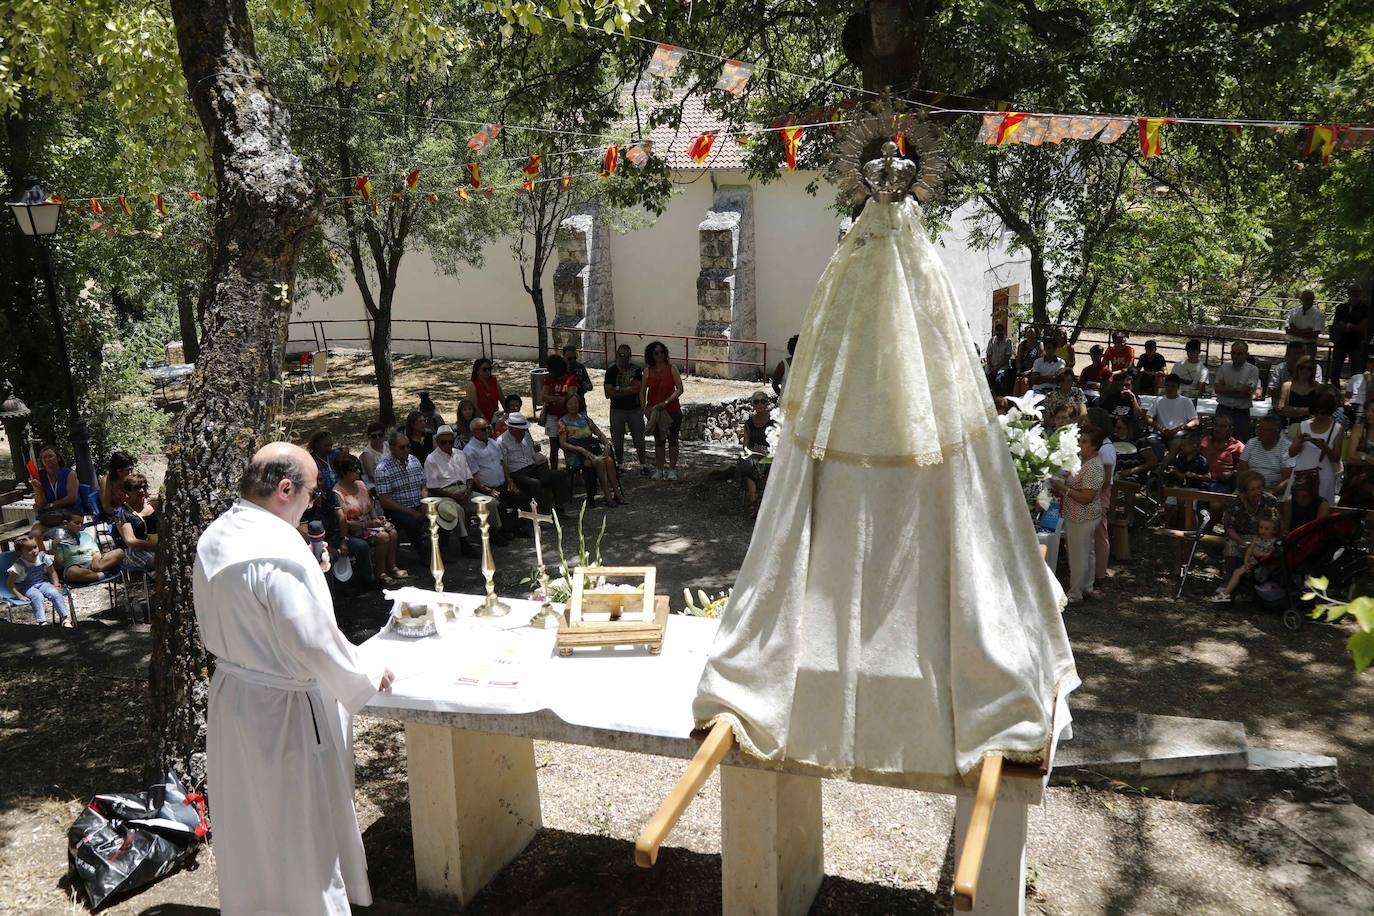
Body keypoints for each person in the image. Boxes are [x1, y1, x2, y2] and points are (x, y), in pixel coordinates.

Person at [193, 443, 394, 915]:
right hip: (283, 711)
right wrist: (366, 670)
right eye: (310, 490)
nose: (314, 500)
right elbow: (310, 642)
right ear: (285, 489)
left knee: (252, 823)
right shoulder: (276, 551)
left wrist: (309, 569)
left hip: (234, 698)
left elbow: (252, 611)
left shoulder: (220, 534)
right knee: (298, 827)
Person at [1051, 425, 1105, 604]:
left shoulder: (1093, 467)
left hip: (1082, 516)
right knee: (1087, 552)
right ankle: (1087, 587)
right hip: (1081, 515)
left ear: (1095, 446)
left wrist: (1063, 489)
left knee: (1077, 555)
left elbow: (1086, 497)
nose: (1080, 444)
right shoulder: (1082, 460)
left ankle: (1075, 594)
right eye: (1079, 440)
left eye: (1084, 442)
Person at [333, 453, 404, 587]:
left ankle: (392, 566)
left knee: (392, 531)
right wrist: (369, 524)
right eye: (354, 469)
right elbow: (344, 522)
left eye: (358, 468)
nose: (358, 471)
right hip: (354, 528)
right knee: (382, 536)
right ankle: (380, 573)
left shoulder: (360, 484)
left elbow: (369, 506)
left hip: (370, 523)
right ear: (343, 472)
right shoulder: (337, 493)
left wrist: (377, 518)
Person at [299, 474, 374, 591]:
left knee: (361, 546)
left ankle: (367, 581)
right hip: (317, 543)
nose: (319, 483)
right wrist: (327, 548)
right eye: (315, 479)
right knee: (328, 558)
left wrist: (344, 540)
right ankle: (332, 595)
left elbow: (341, 518)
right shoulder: (302, 502)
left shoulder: (329, 495)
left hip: (336, 536)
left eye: (321, 479)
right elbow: (304, 533)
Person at [559, 392, 625, 507]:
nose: (573, 406)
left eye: (575, 403)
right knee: (599, 462)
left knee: (608, 461)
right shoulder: (563, 422)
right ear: (566, 405)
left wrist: (606, 444)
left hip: (591, 451)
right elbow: (563, 443)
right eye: (570, 403)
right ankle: (607, 496)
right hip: (576, 455)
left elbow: (599, 433)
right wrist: (580, 449)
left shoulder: (585, 418)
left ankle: (617, 493)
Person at [499, 412, 572, 516]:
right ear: (511, 429)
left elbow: (532, 455)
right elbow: (503, 464)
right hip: (517, 473)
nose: (523, 433)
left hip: (532, 467)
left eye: (524, 430)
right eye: (520, 431)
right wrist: (509, 480)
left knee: (558, 475)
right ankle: (541, 514)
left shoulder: (526, 436)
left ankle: (559, 506)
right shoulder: (502, 442)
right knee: (535, 484)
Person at [463, 417, 525, 537]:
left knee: (520, 497)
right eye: (483, 429)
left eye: (488, 427)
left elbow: (502, 463)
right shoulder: (469, 450)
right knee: (497, 504)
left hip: (502, 483)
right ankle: (498, 533)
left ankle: (515, 527)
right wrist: (486, 490)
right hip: (486, 488)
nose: (487, 431)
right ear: (474, 432)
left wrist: (509, 480)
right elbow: (472, 475)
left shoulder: (492, 442)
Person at [423, 425, 479, 557]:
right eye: (444, 442)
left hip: (464, 490)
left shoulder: (460, 454)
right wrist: (453, 495)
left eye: (451, 442)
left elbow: (469, 477)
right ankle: (464, 543)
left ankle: (494, 532)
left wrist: (467, 491)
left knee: (489, 503)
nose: (448, 445)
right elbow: (432, 487)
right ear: (437, 442)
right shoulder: (431, 459)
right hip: (444, 494)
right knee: (457, 510)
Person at [373, 431, 429, 551]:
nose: (406, 450)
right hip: (398, 509)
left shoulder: (414, 460)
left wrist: (424, 502)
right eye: (402, 447)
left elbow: (423, 485)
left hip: (419, 504)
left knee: (440, 513)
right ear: (392, 448)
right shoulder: (383, 468)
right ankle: (424, 553)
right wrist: (410, 511)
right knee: (411, 522)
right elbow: (385, 501)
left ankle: (442, 549)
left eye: (408, 446)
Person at [1288, 387, 1344, 503]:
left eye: (1323, 413)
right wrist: (1299, 441)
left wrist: (1325, 448)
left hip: (1324, 476)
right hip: (1301, 474)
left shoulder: (1337, 428)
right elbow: (1291, 453)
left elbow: (1336, 458)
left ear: (1329, 411)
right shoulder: (1304, 425)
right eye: (1316, 411)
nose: (1319, 415)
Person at [1210, 512, 1280, 604]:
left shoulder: (1273, 542)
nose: (1262, 531)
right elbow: (1249, 550)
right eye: (1261, 528)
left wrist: (1259, 554)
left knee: (1237, 572)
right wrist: (1246, 561)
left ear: (1274, 530)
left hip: (1263, 566)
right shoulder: (1257, 538)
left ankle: (1226, 593)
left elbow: (1271, 555)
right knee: (1237, 571)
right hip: (1252, 563)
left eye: (1266, 529)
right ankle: (1226, 593)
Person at [1222, 470, 1280, 576]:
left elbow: (1274, 524)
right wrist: (1240, 541)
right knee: (1231, 546)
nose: (1258, 492)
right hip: (1240, 537)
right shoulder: (1235, 502)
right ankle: (1228, 581)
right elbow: (1229, 526)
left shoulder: (1270, 501)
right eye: (1253, 489)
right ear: (1244, 491)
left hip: (1264, 537)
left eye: (1259, 487)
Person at [642, 340, 684, 479]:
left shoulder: (672, 369)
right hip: (654, 411)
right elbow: (642, 391)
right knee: (659, 441)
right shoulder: (647, 371)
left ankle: (672, 470)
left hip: (672, 409)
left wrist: (666, 402)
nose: (659, 355)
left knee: (673, 439)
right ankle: (659, 469)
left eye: (662, 352)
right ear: (651, 355)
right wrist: (644, 409)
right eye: (656, 353)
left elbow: (679, 389)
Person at [604, 343, 648, 473]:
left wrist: (618, 389)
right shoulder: (611, 371)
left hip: (634, 409)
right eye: (620, 355)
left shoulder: (636, 370)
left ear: (630, 357)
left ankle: (643, 465)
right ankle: (620, 465)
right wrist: (627, 389)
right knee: (617, 440)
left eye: (626, 356)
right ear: (617, 355)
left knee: (639, 438)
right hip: (617, 410)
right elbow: (608, 393)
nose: (623, 358)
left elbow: (637, 388)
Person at [8, 534, 69, 625]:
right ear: (19, 553)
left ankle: (65, 618)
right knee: (37, 596)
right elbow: (10, 583)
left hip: (42, 582)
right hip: (26, 586)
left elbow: (52, 572)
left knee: (54, 593)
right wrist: (20, 596)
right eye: (29, 550)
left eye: (35, 547)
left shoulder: (43, 557)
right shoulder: (19, 565)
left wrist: (56, 584)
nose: (34, 551)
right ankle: (42, 621)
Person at [55, 508, 124, 584]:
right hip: (76, 567)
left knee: (119, 552)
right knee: (72, 572)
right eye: (76, 523)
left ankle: (92, 574)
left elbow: (96, 552)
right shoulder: (60, 542)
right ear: (65, 524)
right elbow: (59, 566)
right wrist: (54, 548)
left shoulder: (85, 535)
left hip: (92, 564)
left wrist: (96, 561)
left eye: (81, 523)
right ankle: (102, 575)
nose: (80, 526)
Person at [736, 392, 775, 516]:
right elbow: (745, 446)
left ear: (767, 403)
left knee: (750, 466)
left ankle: (754, 502)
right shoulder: (749, 424)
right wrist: (757, 451)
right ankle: (754, 500)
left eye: (762, 401)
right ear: (752, 404)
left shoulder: (773, 422)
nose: (759, 404)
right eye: (756, 401)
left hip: (770, 456)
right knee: (746, 462)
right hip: (754, 455)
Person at [1214, 341, 1261, 443]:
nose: (1236, 356)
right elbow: (1217, 389)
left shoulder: (1253, 370)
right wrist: (1238, 388)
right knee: (1218, 442)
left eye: (1240, 353)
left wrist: (1225, 389)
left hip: (1241, 414)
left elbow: (1245, 394)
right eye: (1234, 353)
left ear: (1246, 355)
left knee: (1239, 443)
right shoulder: (1223, 368)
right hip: (1223, 410)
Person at [1239, 413, 1295, 496]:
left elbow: (1287, 480)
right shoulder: (1252, 443)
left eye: (1263, 430)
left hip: (1273, 490)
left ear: (1276, 431)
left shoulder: (1286, 447)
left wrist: (1269, 495)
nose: (1259, 432)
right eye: (1259, 428)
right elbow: (1242, 471)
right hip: (1249, 488)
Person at [1146, 373, 1199, 457]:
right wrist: (1161, 429)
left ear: (1178, 387)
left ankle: (1161, 467)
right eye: (1168, 386)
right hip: (1160, 432)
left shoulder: (1186, 401)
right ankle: (1158, 464)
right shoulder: (1159, 400)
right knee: (1152, 441)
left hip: (1179, 433)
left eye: (1173, 386)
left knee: (1175, 445)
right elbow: (1148, 417)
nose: (1170, 389)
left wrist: (1179, 429)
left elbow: (1195, 421)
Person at [540, 354, 577, 471]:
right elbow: (543, 396)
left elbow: (571, 396)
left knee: (569, 445)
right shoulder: (549, 379)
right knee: (554, 447)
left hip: (566, 416)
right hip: (552, 416)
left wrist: (555, 399)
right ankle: (554, 472)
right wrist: (558, 399)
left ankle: (574, 471)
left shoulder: (570, 379)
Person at [115, 473, 158, 573]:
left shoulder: (153, 504)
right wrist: (157, 545)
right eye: (137, 488)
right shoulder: (123, 512)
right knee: (161, 561)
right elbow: (131, 541)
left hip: (157, 545)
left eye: (144, 487)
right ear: (128, 491)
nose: (142, 491)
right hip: (137, 550)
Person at [1329, 283, 1368, 382]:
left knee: (1356, 373)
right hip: (1340, 343)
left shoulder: (1365, 309)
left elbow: (1362, 328)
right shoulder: (1341, 308)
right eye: (1353, 291)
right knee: (1335, 372)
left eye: (1358, 292)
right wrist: (1352, 326)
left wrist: (1347, 325)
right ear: (1348, 293)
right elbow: (1336, 324)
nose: (1356, 294)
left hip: (1356, 344)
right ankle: (1335, 393)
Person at [1340, 398, 1374, 509]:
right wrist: (1370, 460)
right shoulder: (1359, 429)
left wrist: (1363, 456)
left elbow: (1356, 456)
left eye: (1373, 411)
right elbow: (1350, 457)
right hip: (1354, 485)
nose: (1369, 414)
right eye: (1367, 410)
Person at [32, 445, 79, 523]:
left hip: (71, 512)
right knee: (35, 533)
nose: (47, 459)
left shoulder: (70, 474)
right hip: (50, 514)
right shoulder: (40, 476)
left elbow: (71, 498)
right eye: (44, 457)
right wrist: (38, 489)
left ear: (58, 458)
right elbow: (40, 505)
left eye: (50, 456)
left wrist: (51, 505)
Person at [1199, 413, 1244, 494]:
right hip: (1200, 480)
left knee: (1216, 504)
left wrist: (1232, 473)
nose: (1218, 429)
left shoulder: (1238, 447)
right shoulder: (1205, 441)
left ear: (1230, 429)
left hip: (1222, 484)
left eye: (1222, 426)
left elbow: (1244, 470)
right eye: (1216, 425)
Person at [1277, 356, 1320, 433]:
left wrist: (1293, 410)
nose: (1305, 370)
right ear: (1297, 368)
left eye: (1309, 368)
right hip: (1289, 426)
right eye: (1302, 367)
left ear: (1313, 371)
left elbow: (1317, 410)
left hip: (1310, 428)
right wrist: (1305, 411)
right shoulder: (1287, 386)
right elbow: (1281, 409)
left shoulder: (1317, 388)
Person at [1285, 289, 1325, 359]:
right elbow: (1287, 330)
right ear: (1301, 299)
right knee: (1290, 367)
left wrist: (1295, 330)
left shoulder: (1319, 315)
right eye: (1307, 299)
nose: (1309, 301)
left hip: (1309, 347)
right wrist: (1306, 331)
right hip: (1293, 346)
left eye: (1311, 299)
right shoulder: (1293, 312)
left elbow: (1313, 336)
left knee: (1306, 368)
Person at [98, 451, 136, 519]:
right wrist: (126, 515)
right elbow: (107, 508)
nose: (129, 473)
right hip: (117, 515)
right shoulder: (107, 481)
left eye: (130, 469)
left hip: (133, 511)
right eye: (123, 471)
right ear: (116, 470)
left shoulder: (131, 477)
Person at [465, 358, 504, 422]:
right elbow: (474, 406)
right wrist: (485, 421)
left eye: (489, 369)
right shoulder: (472, 385)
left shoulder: (494, 381)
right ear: (477, 371)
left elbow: (502, 399)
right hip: (479, 420)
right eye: (484, 369)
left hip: (495, 417)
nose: (487, 371)